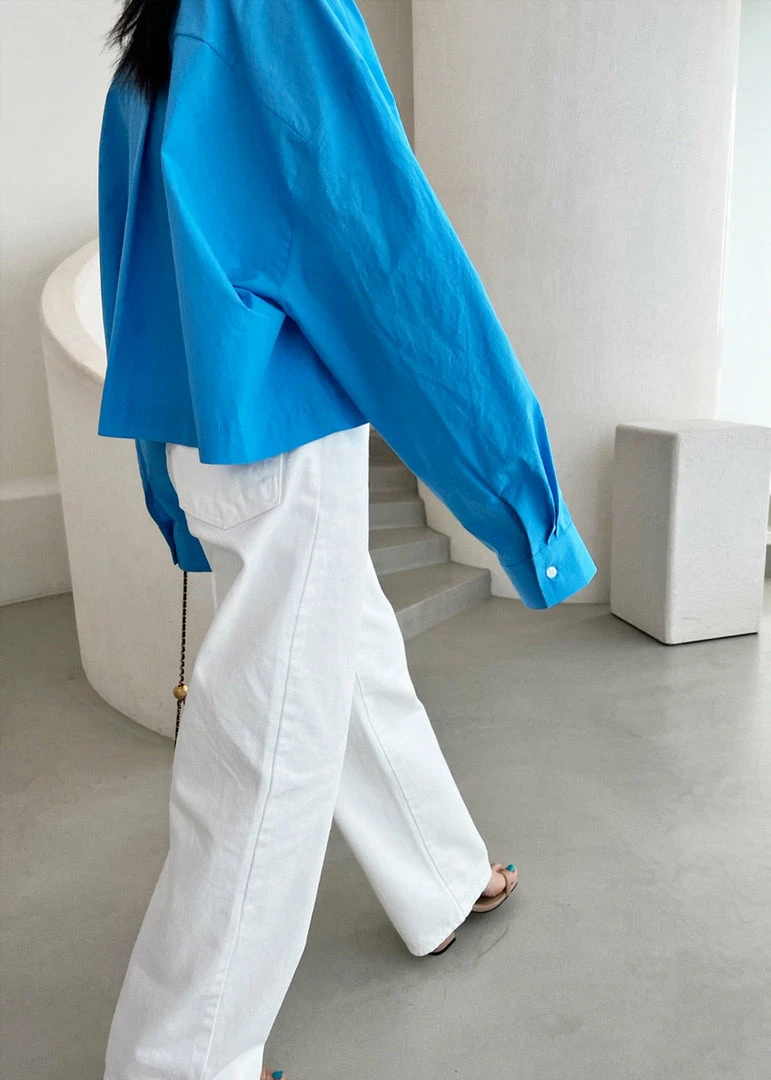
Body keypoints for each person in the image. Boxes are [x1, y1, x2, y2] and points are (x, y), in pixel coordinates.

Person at [97, 1, 597, 1077]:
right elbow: (386, 248)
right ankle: (180, 1065)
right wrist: (522, 496)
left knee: (347, 655)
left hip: (214, 423)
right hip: (280, 436)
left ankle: (440, 875)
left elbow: (138, 269)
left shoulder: (166, 26)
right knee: (267, 749)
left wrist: (159, 471)